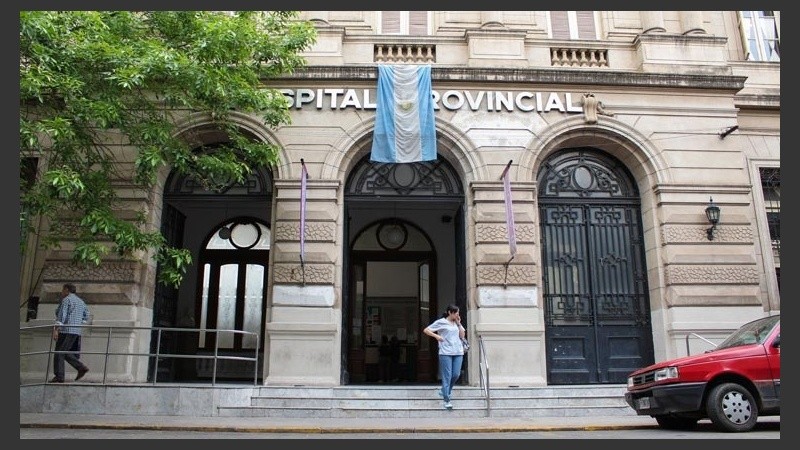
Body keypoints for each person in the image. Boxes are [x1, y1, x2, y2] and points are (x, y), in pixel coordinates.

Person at [423, 304, 466, 410]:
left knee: (456, 374)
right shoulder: (441, 322)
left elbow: (462, 336)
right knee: (447, 376)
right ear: (450, 312)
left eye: (458, 313)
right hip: (445, 352)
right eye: (456, 313)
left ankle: (444, 391)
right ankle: (447, 400)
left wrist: (459, 323)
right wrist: (436, 336)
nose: (458, 315)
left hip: (458, 351)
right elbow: (426, 330)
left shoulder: (456, 323)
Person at [51, 283, 90, 383]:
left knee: (59, 352)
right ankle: (80, 367)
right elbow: (86, 315)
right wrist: (79, 322)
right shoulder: (81, 301)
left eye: (63, 290)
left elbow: (62, 315)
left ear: (67, 290)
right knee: (63, 351)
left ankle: (59, 376)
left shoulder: (67, 300)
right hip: (76, 330)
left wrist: (56, 329)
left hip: (66, 329)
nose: (62, 292)